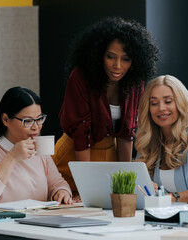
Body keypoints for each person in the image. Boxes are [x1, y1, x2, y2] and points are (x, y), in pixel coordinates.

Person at [53, 17, 159, 195]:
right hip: (73, 157)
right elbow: (81, 134)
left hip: (109, 155)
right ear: (99, 54)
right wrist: (85, 187)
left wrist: (125, 185)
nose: (117, 66)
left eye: (125, 59)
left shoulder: (134, 82)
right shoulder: (80, 77)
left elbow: (127, 134)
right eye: (111, 57)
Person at [135, 75, 188, 203]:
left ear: (180, 102)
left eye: (168, 101)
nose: (161, 108)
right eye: (154, 103)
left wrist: (169, 197)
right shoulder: (148, 139)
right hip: (164, 217)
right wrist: (150, 188)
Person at [0, 87, 72, 204]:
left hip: (40, 220)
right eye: (27, 121)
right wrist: (12, 157)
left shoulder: (39, 147)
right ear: (5, 119)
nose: (36, 127)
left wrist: (61, 192)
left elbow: (57, 183)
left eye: (39, 119)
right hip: (5, 221)